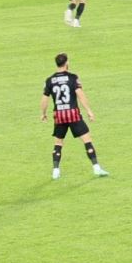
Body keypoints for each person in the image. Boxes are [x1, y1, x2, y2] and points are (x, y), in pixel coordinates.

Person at [42, 52, 107, 180]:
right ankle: (96, 168)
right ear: (66, 63)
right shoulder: (72, 77)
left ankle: (55, 171)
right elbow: (80, 95)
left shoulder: (50, 80)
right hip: (73, 114)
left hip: (59, 115)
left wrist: (43, 113)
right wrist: (89, 111)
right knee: (87, 140)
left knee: (58, 142)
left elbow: (44, 99)